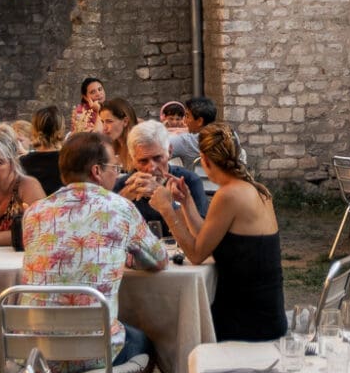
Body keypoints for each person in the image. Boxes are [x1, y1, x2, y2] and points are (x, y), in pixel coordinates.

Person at [21, 131, 165, 373]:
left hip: (35, 351)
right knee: (146, 342)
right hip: (95, 352)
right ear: (97, 171)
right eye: (116, 167)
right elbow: (158, 260)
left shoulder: (35, 213)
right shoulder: (120, 209)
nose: (119, 174)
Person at [148, 123, 286, 342]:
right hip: (267, 312)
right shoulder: (255, 189)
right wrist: (186, 202)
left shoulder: (229, 195)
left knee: (168, 327)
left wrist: (167, 210)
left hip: (247, 320)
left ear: (204, 159)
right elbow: (207, 238)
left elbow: (196, 254)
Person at [122, 118, 209, 232]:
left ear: (170, 152)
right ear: (133, 160)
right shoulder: (125, 185)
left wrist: (167, 202)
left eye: (157, 158)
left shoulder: (188, 181)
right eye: (143, 161)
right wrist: (122, 200)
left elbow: (200, 234)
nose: (151, 167)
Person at [20, 106, 64, 196]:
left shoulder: (22, 162)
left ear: (34, 130)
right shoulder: (68, 160)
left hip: (31, 208)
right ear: (60, 129)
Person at [99, 97, 139, 174]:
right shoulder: (111, 147)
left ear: (125, 121)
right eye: (102, 122)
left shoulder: (139, 148)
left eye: (109, 121)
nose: (104, 128)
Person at [161, 100, 201, 172]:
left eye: (178, 119)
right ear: (164, 117)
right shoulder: (160, 131)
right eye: (171, 119)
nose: (174, 122)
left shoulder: (188, 133)